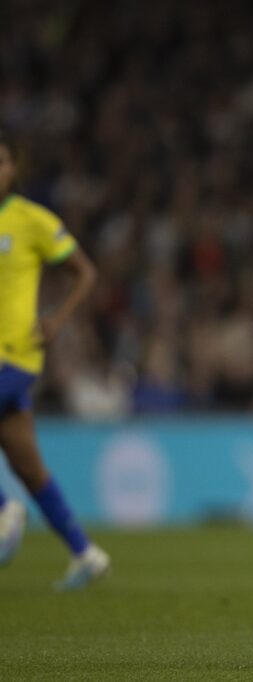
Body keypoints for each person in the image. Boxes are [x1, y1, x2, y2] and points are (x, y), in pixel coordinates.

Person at [0, 131, 111, 589]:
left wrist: (57, 319)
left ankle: (4, 509)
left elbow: (85, 272)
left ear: (13, 169)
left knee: (22, 473)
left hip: (14, 355)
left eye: (3, 160)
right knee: (27, 464)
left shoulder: (31, 220)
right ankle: (86, 553)